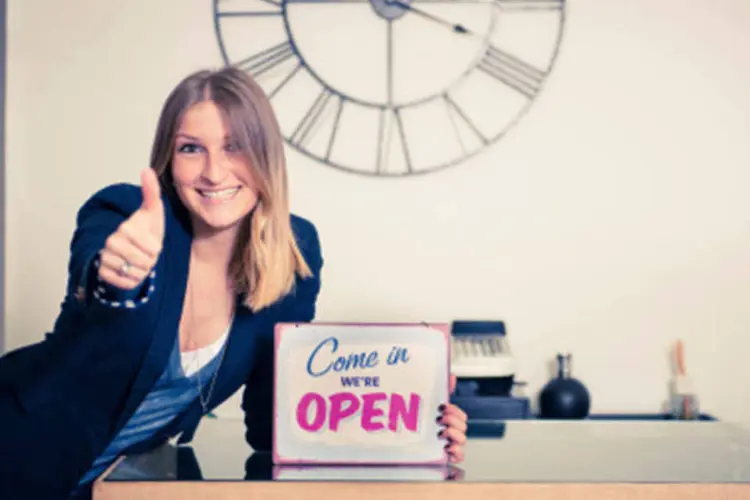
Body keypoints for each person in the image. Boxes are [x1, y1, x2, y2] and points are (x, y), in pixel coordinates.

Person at [0, 67, 468, 500]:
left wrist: (416, 427)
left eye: (234, 146)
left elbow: (274, 426)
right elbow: (97, 280)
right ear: (168, 159)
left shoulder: (294, 249)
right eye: (191, 148)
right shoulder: (124, 213)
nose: (214, 172)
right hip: (19, 450)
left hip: (113, 488)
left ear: (265, 155)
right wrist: (118, 275)